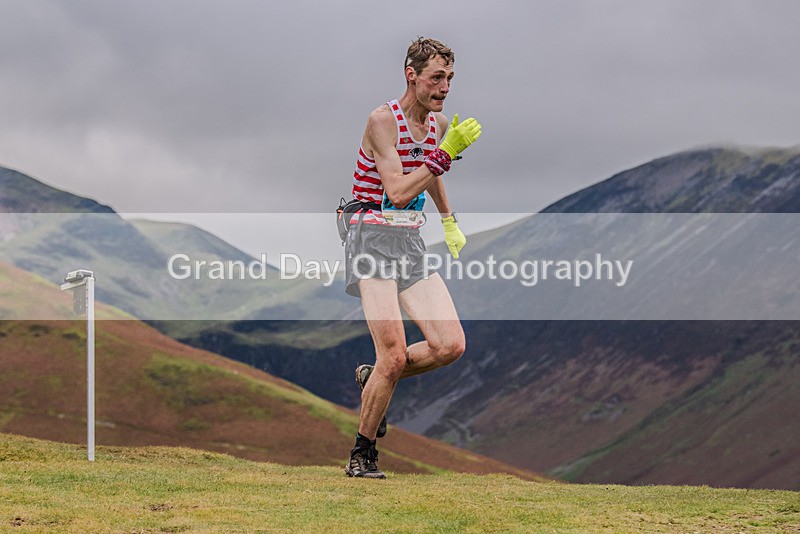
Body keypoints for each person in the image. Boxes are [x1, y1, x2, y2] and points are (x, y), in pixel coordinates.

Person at [343, 37, 482, 479]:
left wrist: (449, 222)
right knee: (395, 354)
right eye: (436, 77)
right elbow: (399, 190)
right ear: (412, 75)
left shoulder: (438, 125)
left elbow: (429, 178)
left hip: (409, 241)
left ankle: (373, 379)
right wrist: (444, 155)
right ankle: (362, 455)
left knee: (450, 345)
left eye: (449, 79)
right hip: (369, 236)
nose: (444, 87)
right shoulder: (382, 120)